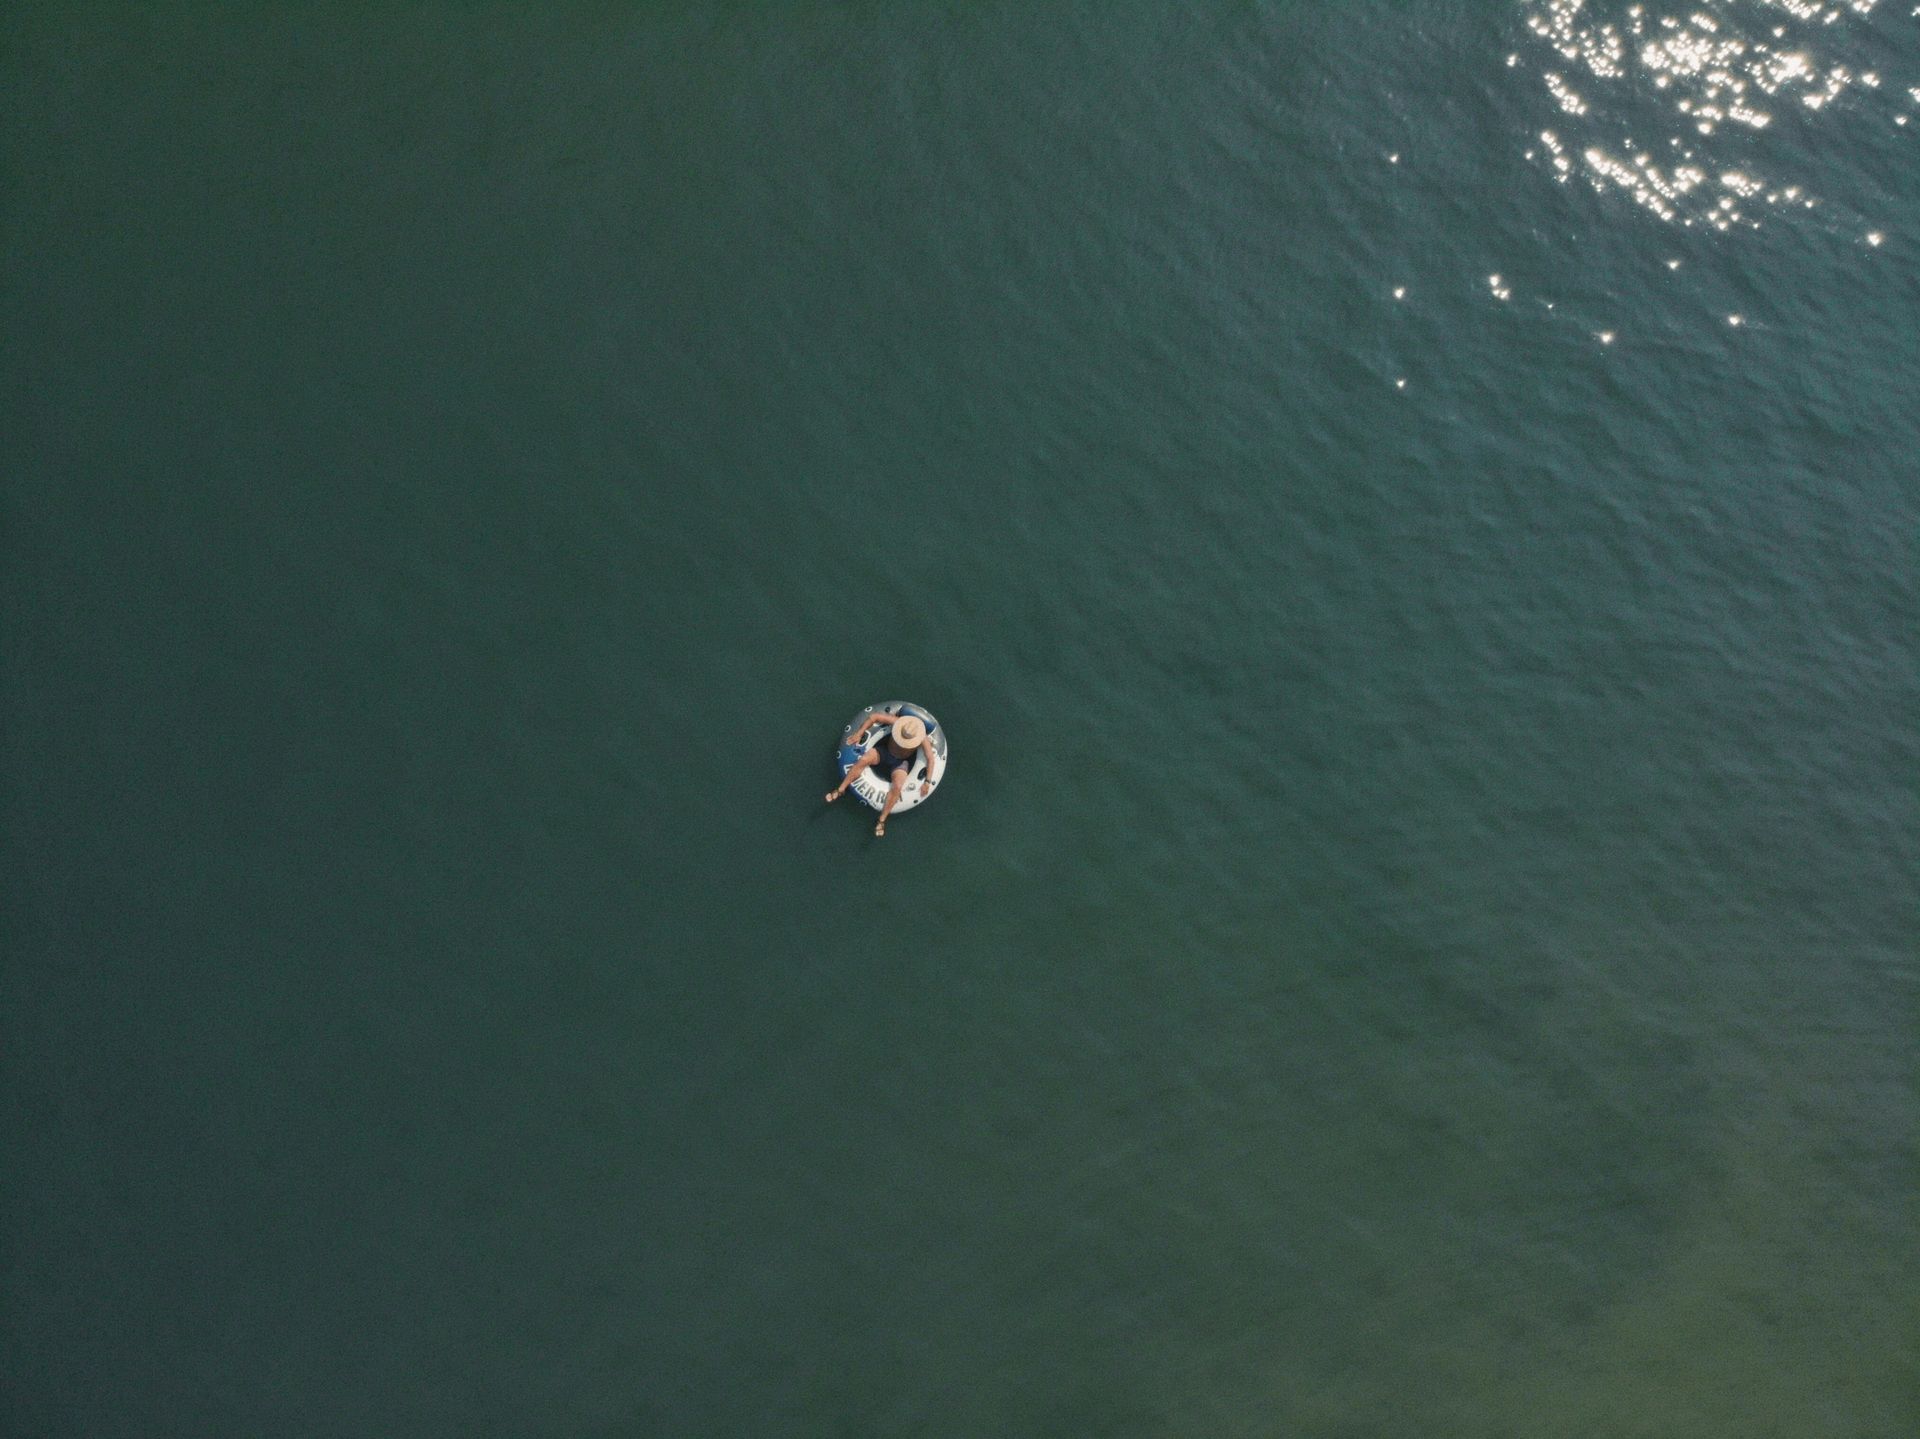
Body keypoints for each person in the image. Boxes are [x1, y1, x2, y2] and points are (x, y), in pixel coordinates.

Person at [825, 709, 934, 836]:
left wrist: (927, 781)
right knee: (863, 759)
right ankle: (841, 789)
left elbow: (931, 759)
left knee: (898, 786)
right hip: (884, 753)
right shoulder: (898, 722)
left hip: (901, 763)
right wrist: (859, 734)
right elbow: (874, 717)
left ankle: (882, 820)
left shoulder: (923, 738)